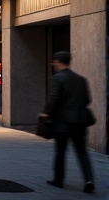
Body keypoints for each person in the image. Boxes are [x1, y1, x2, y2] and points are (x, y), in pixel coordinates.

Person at [41, 50, 95, 193]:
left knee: (60, 151)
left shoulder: (58, 78)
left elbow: (54, 98)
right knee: (82, 151)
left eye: (54, 62)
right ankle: (89, 180)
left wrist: (46, 113)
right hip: (80, 121)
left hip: (63, 122)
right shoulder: (81, 79)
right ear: (69, 62)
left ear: (57, 62)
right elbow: (87, 100)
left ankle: (58, 180)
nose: (53, 64)